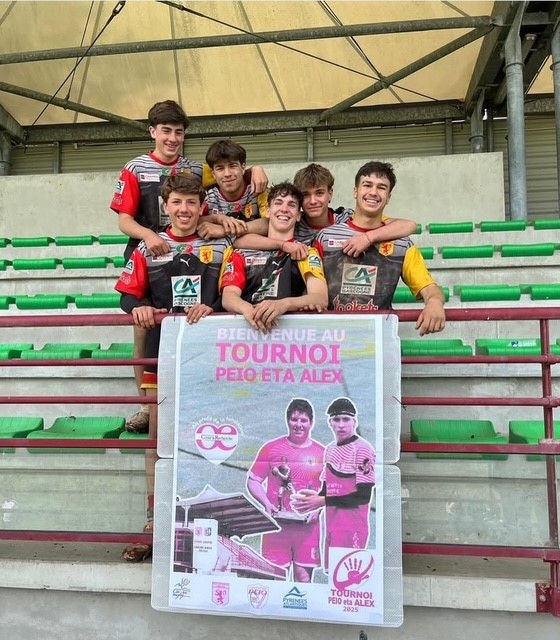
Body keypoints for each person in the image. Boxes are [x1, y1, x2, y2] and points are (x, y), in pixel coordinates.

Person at [110, 101, 268, 432]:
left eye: (178, 132)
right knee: (146, 324)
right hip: (152, 249)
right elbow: (124, 220)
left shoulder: (195, 168)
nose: (172, 138)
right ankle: (146, 405)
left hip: (195, 248)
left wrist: (256, 169)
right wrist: (149, 236)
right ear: (152, 132)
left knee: (206, 311)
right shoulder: (135, 167)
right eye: (165, 131)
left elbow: (229, 171)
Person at [115, 173, 232, 561]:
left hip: (211, 358)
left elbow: (237, 292)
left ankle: (206, 524)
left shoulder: (221, 245)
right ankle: (154, 523)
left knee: (208, 439)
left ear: (202, 206)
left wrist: (215, 306)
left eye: (191, 202)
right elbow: (127, 297)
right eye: (177, 202)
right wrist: (140, 306)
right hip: (162, 354)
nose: (184, 210)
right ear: (165, 206)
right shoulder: (147, 247)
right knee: (158, 442)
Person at [314, 161, 446, 335]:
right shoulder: (326, 237)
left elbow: (429, 288)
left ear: (388, 197)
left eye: (381, 187)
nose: (373, 192)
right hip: (330, 338)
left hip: (377, 340)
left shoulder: (402, 245)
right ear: (355, 191)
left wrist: (435, 302)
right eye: (367, 185)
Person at [220, 182, 328, 333]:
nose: (284, 209)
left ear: (298, 216)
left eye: (291, 205)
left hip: (292, 337)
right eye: (278, 203)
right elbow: (228, 297)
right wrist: (248, 309)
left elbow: (320, 298)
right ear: (268, 211)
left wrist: (284, 304)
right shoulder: (241, 252)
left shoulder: (306, 252)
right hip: (249, 334)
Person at [291, 397, 376, 571]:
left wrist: (322, 501)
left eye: (346, 419)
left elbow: (363, 497)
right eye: (336, 419)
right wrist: (311, 501)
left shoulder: (362, 449)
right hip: (331, 527)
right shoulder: (330, 449)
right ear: (330, 423)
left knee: (348, 576)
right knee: (332, 575)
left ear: (354, 422)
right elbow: (326, 491)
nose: (341, 425)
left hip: (352, 528)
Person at [247, 398, 325, 582]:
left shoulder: (322, 453)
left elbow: (332, 489)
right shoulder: (272, 448)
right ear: (287, 420)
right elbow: (253, 480)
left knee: (303, 580)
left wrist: (318, 508)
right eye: (294, 419)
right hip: (276, 528)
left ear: (311, 423)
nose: (298, 424)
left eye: (303, 420)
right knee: (275, 579)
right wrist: (266, 503)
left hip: (307, 530)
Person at [293, 163, 418, 253]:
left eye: (319, 193)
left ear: (330, 194)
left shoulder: (347, 217)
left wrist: (368, 238)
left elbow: (409, 225)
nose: (313, 201)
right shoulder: (293, 224)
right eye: (305, 195)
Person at [197, 139, 269, 240]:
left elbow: (273, 223)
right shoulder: (207, 199)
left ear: (243, 168)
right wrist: (215, 218)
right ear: (213, 174)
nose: (227, 174)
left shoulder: (259, 190)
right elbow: (191, 223)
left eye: (233, 166)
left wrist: (225, 230)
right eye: (220, 168)